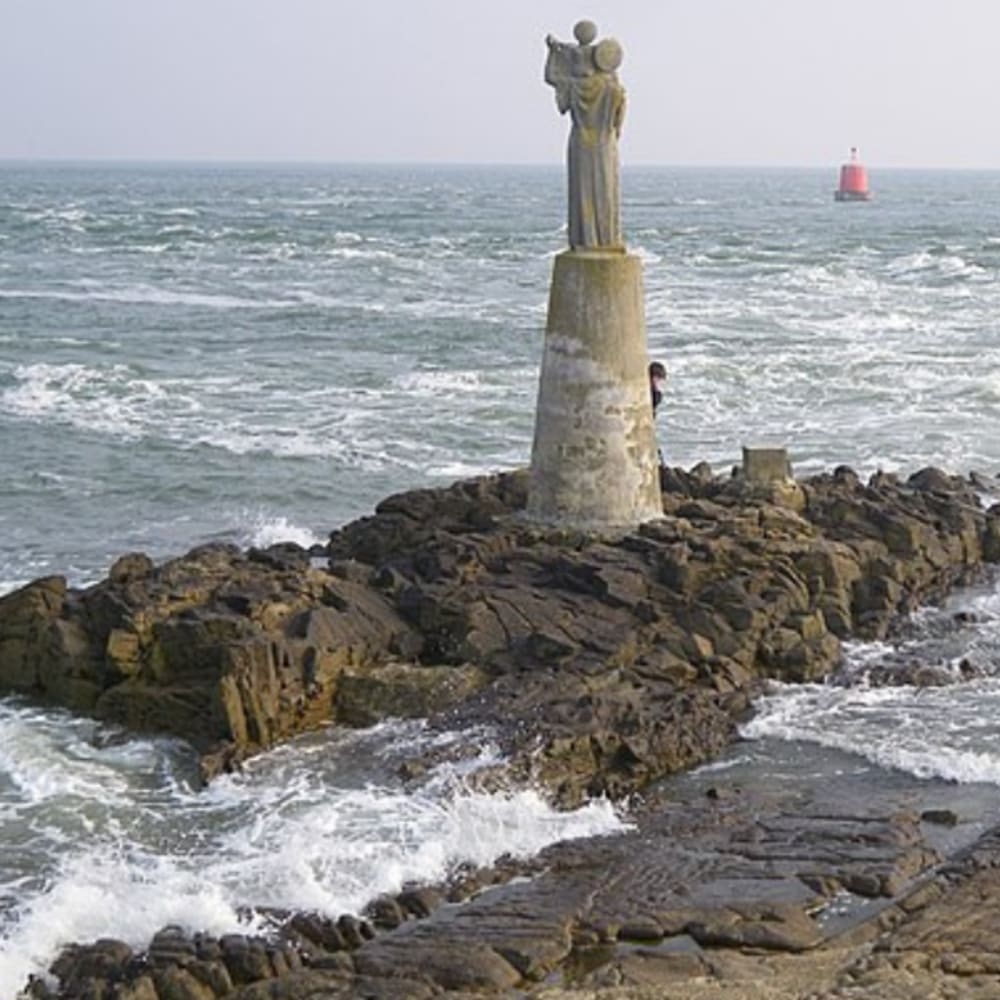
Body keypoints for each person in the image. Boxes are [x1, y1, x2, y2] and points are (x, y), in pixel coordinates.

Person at [544, 23, 626, 250]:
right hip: (605, 145)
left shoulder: (573, 85)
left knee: (582, 193)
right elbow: (618, 122)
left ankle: (584, 240)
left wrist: (552, 52)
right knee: (607, 192)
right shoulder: (613, 88)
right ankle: (607, 239)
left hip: (580, 142)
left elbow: (551, 77)